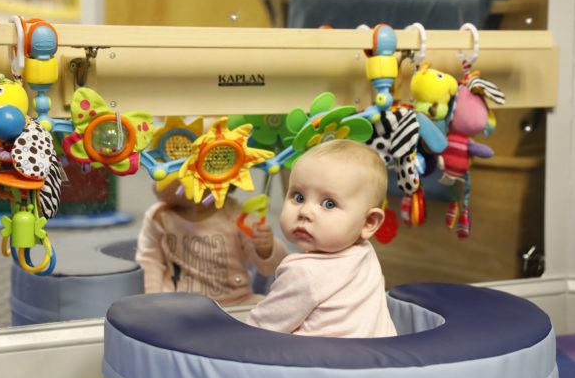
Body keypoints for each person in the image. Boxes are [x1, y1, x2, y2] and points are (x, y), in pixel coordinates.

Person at [247, 139, 397, 337]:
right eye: (298, 197)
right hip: (376, 360)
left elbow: (258, 328)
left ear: (369, 222)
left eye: (328, 204)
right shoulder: (365, 254)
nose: (305, 211)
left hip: (319, 365)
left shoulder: (303, 272)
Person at [136, 179, 287, 307]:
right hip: (177, 304)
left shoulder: (238, 215)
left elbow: (270, 269)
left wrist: (266, 248)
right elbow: (149, 262)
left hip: (235, 301)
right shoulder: (159, 217)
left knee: (274, 310)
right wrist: (153, 301)